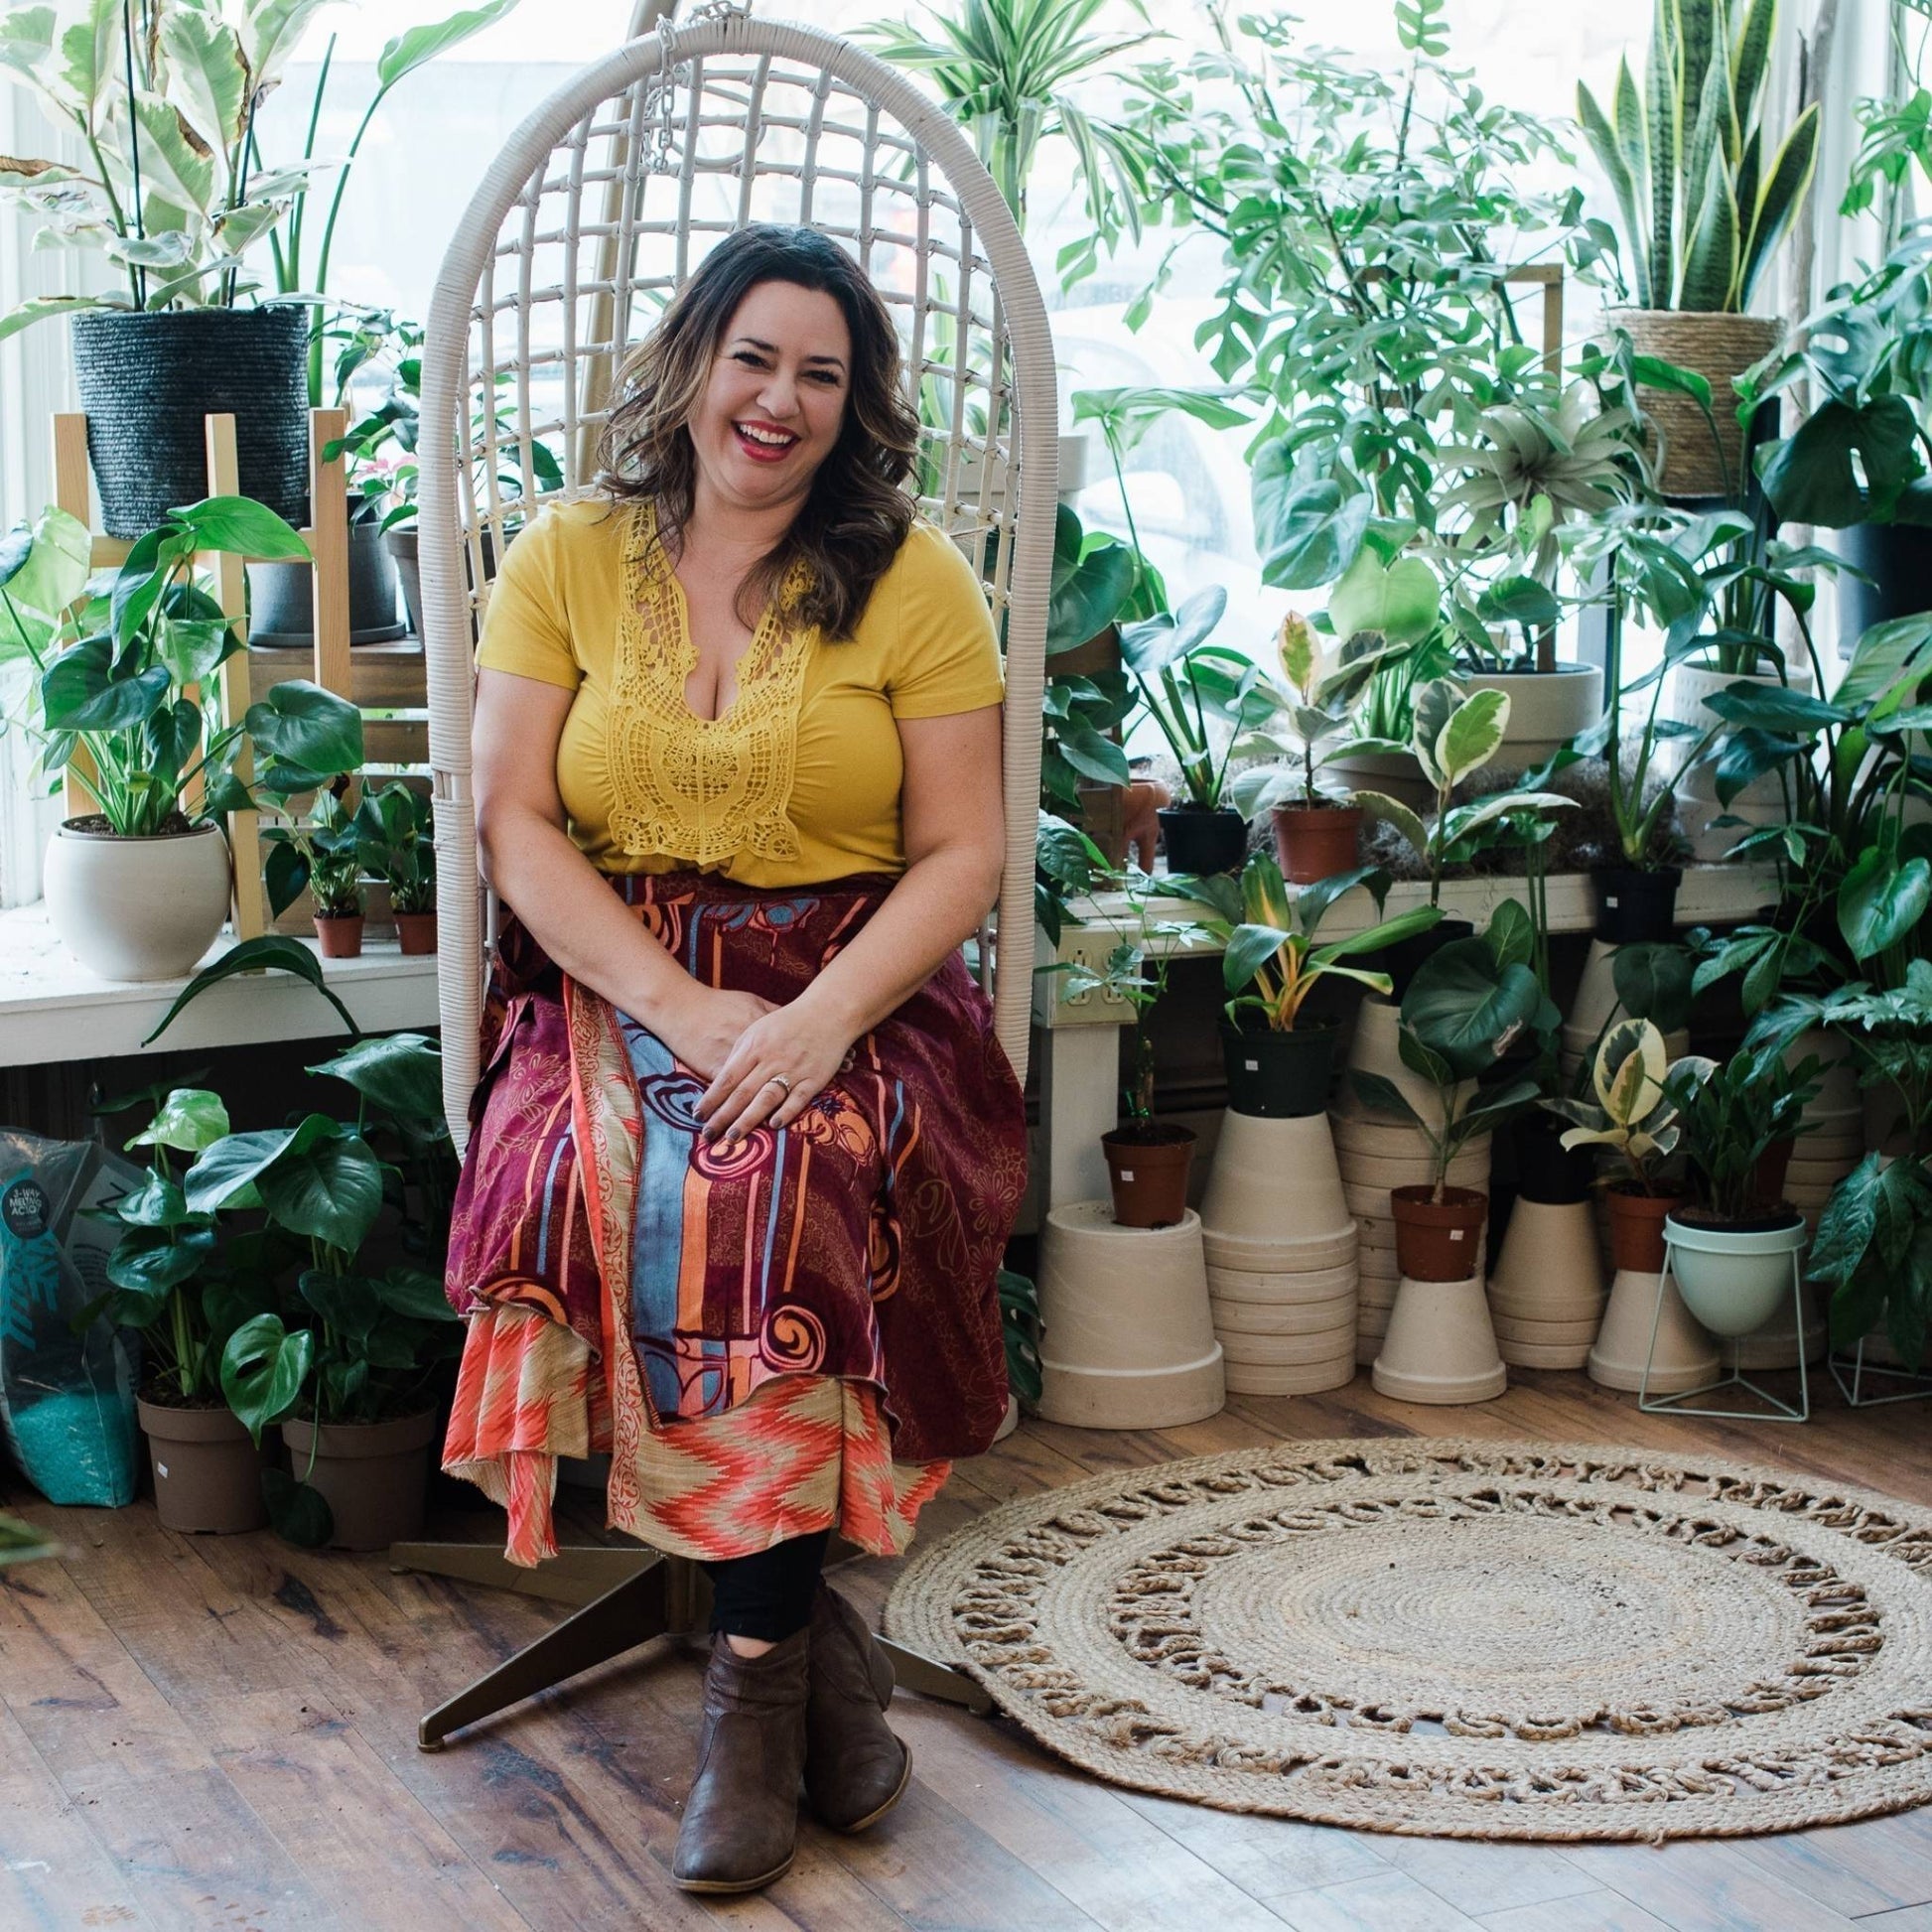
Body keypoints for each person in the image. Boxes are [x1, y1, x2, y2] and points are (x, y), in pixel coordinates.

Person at [438, 221, 1028, 1896]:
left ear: (854, 409)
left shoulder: (910, 577)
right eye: (753, 356)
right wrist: (672, 1007)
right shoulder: (567, 551)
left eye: (820, 376)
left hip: (858, 979)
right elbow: (514, 821)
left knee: (789, 1171)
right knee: (605, 1165)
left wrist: (817, 1015)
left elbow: (961, 852)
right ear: (694, 363)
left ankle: (753, 1688)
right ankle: (811, 1668)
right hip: (607, 971)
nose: (778, 399)